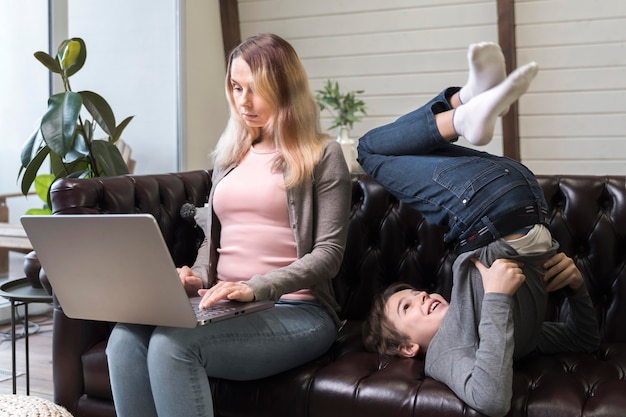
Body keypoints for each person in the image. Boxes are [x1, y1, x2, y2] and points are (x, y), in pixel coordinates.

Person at [105, 33, 352, 417]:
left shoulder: (322, 154)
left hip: (295, 310)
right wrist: (196, 278)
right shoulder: (230, 156)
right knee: (123, 339)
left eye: (256, 89)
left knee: (174, 346)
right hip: (222, 304)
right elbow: (215, 245)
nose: (243, 101)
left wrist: (255, 288)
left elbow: (328, 256)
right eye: (236, 87)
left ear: (285, 87)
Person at [357, 43, 600, 417]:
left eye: (416, 293)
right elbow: (492, 399)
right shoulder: (445, 353)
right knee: (369, 149)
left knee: (383, 149)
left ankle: (468, 104)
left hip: (511, 195)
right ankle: (464, 104)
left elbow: (580, 341)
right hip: (495, 209)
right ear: (408, 348)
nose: (422, 297)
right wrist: (575, 287)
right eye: (407, 307)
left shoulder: (498, 335)